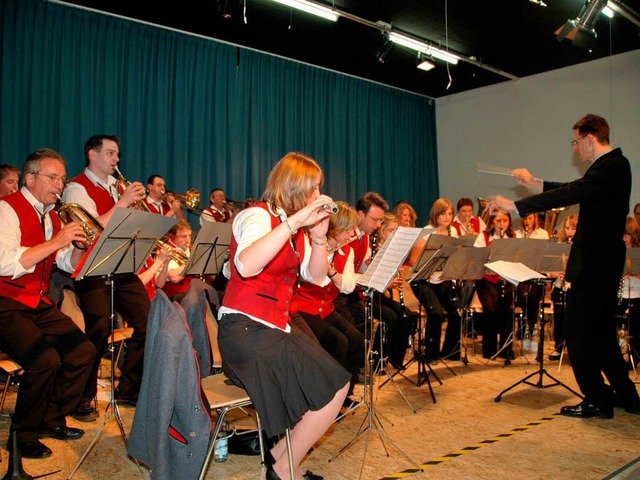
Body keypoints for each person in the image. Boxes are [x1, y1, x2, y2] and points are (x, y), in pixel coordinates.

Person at [490, 113, 640, 418]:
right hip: (602, 266)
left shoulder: (611, 166)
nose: (575, 149)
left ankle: (598, 398)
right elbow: (575, 187)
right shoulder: (611, 168)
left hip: (595, 267)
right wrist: (535, 182)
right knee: (602, 334)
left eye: (576, 142)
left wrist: (516, 205)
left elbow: (573, 191)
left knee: (577, 332)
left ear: (589, 138)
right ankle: (627, 397)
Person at [217, 152, 350, 480]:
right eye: (313, 188)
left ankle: (281, 457)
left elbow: (317, 278)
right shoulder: (257, 217)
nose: (318, 196)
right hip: (244, 329)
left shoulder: (297, 232)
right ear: (294, 187)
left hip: (272, 326)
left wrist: (318, 239)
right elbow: (246, 266)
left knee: (332, 382)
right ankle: (282, 466)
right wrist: (294, 223)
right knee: (334, 387)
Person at [0, 148, 96, 459]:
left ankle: (49, 418)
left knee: (83, 351)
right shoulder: (6, 209)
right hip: (6, 301)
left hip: (36, 302)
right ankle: (22, 436)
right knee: (45, 361)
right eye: (52, 178)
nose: (59, 185)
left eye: (62, 179)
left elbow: (65, 264)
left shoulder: (52, 216)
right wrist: (56, 240)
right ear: (29, 179)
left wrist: (79, 248)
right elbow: (5, 264)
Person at [62, 134, 152, 420]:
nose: (117, 160)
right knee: (98, 330)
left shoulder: (116, 187)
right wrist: (124, 203)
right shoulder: (76, 188)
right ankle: (81, 398)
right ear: (93, 154)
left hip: (121, 265)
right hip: (91, 269)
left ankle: (129, 388)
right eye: (111, 154)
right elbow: (89, 230)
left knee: (148, 322)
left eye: (117, 155)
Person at [293, 201, 364, 402]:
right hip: (303, 307)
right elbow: (309, 277)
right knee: (338, 342)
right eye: (349, 229)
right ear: (335, 227)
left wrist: (332, 270)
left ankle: (344, 395)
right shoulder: (310, 245)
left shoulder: (346, 252)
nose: (353, 234)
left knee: (357, 340)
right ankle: (327, 399)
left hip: (326, 308)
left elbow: (348, 286)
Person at [407, 198, 462, 360]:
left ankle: (451, 351)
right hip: (422, 280)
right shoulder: (426, 232)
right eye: (444, 214)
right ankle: (431, 353)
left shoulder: (454, 233)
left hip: (442, 279)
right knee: (436, 313)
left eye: (450, 214)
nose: (447, 217)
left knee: (458, 312)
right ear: (436, 214)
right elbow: (414, 262)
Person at [473, 209, 517, 359]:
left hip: (506, 278)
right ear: (492, 222)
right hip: (486, 279)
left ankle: (506, 349)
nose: (501, 224)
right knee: (490, 309)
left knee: (508, 310)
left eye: (505, 220)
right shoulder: (483, 237)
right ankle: (489, 349)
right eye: (498, 221)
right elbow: (478, 260)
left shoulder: (513, 237)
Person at [549, 213, 578, 360]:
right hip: (561, 285)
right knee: (559, 316)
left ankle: (575, 349)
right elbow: (549, 270)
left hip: (576, 287)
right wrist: (557, 274)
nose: (570, 232)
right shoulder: (560, 246)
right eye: (567, 228)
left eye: (573, 228)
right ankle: (558, 347)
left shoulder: (581, 247)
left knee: (574, 318)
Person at [161, 219, 193, 302]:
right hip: (175, 296)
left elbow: (211, 277)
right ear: (172, 237)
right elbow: (174, 278)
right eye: (183, 236)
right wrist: (194, 260)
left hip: (192, 291)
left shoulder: (192, 249)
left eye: (189, 236)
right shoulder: (165, 250)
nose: (188, 240)